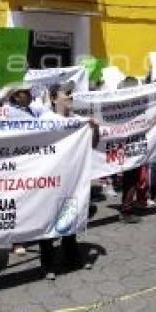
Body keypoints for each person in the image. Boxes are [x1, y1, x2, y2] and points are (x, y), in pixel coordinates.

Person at [36, 82, 96, 278]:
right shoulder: (44, 119)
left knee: (69, 217)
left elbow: (92, 144)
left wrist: (94, 129)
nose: (70, 96)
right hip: (48, 179)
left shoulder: (78, 120)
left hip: (70, 179)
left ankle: (71, 256)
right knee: (47, 222)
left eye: (71, 93)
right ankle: (48, 264)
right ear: (54, 98)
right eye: (66, 93)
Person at [117, 77, 148, 223]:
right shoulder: (127, 106)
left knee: (132, 179)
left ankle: (127, 207)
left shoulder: (126, 104)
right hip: (129, 147)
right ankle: (126, 210)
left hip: (131, 146)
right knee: (131, 179)